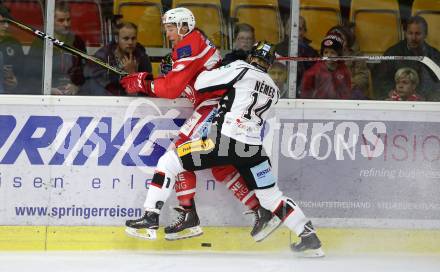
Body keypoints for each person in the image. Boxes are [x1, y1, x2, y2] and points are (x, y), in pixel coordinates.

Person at [123, 41, 324, 257]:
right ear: (270, 63)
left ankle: (150, 217)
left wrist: (211, 67)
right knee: (272, 198)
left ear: (251, 57)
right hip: (253, 150)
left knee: (168, 162)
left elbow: (201, 83)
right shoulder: (274, 90)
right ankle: (309, 236)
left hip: (224, 142)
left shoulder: (240, 68)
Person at [120, 8, 279, 241]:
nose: (168, 33)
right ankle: (258, 211)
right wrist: (142, 79)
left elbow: (171, 87)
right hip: (216, 107)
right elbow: (176, 84)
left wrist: (142, 82)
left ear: (184, 26)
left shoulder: (189, 44)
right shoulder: (188, 48)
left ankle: (175, 215)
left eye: (171, 28)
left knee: (176, 156)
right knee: (220, 167)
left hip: (215, 107)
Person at [373, 16, 440, 101]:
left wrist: (429, 100)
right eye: (410, 33)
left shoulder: (434, 55)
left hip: (426, 104)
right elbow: (380, 80)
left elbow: (438, 84)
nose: (413, 38)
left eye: (417, 34)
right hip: (399, 102)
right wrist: (389, 92)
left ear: (425, 34)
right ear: (405, 33)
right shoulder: (393, 53)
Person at [26, 1, 86, 95]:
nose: (66, 24)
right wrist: (47, 89)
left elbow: (85, 73)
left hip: (73, 98)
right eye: (61, 20)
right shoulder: (40, 43)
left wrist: (76, 87)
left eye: (68, 19)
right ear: (50, 21)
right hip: (47, 97)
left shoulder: (77, 42)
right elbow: (29, 77)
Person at [82, 22, 152, 96]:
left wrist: (132, 75)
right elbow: (94, 82)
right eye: (126, 39)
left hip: (133, 102)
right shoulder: (104, 56)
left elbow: (147, 88)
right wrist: (124, 74)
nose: (130, 42)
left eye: (133, 38)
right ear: (116, 39)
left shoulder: (142, 57)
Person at [276, 16, 319, 94]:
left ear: (304, 31)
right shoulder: (276, 50)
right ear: (286, 31)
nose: (296, 32)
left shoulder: (312, 53)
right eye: (293, 28)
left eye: (299, 29)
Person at [300, 34, 352, 99]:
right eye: (326, 52)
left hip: (338, 105)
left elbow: (346, 92)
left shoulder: (344, 70)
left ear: (339, 54)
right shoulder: (314, 71)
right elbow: (305, 93)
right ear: (322, 54)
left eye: (332, 52)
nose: (329, 55)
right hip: (319, 106)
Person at [327, 24, 371, 99]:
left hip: (351, 94)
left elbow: (363, 77)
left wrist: (348, 84)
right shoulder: (324, 55)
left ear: (346, 41)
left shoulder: (356, 55)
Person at [0, 5, 25, 94]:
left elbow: (25, 73)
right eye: (2, 22)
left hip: (11, 97)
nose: (6, 26)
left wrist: (17, 82)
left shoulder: (14, 43)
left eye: (8, 22)